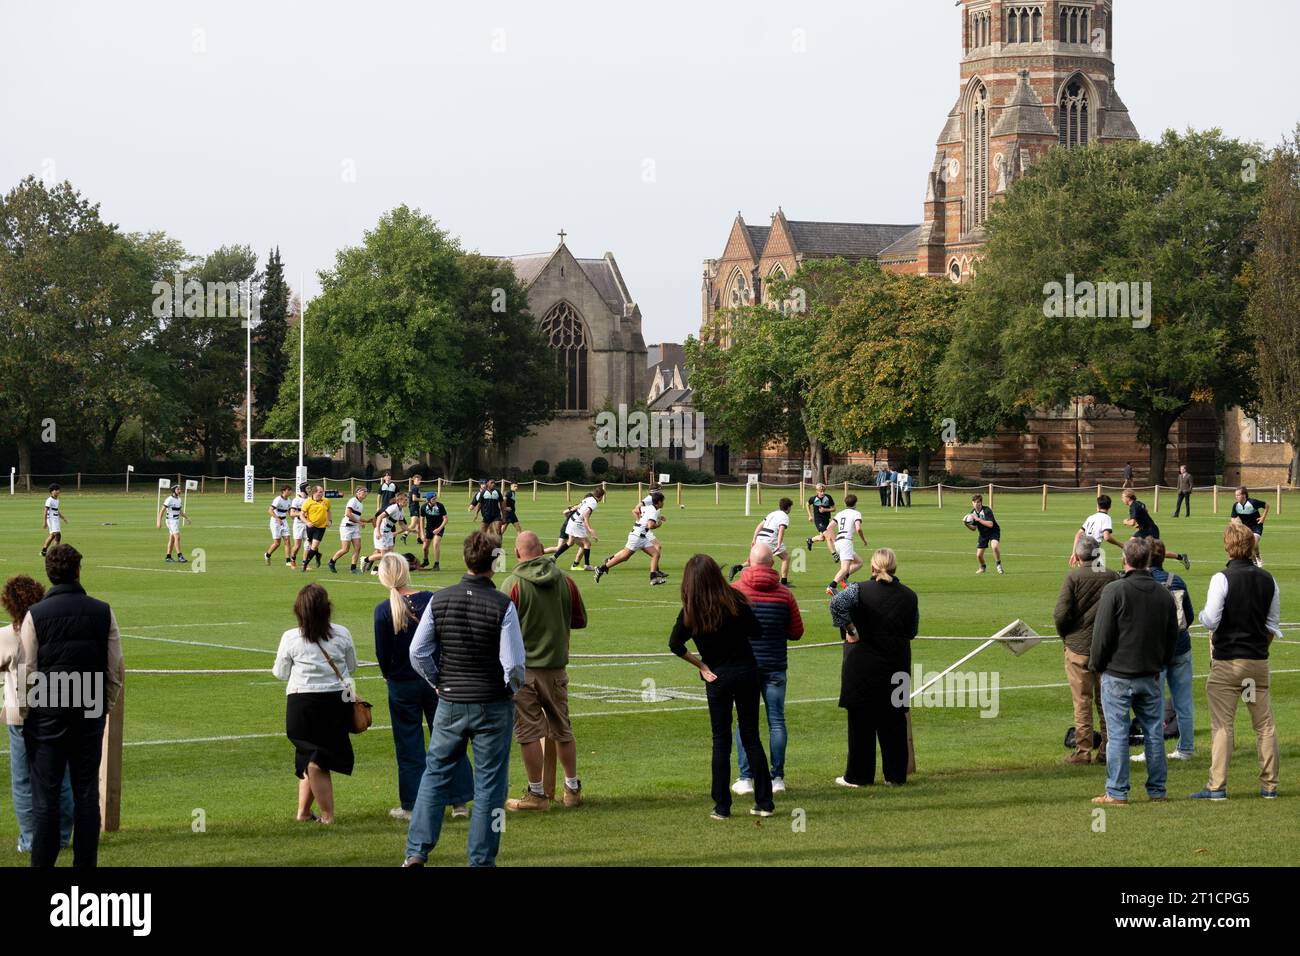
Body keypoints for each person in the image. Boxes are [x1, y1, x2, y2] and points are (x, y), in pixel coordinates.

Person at [404, 531, 525, 867]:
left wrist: (437, 681)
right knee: (491, 785)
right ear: (494, 562)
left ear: (465, 560)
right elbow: (513, 663)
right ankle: (482, 859)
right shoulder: (503, 604)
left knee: (435, 775)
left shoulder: (439, 599)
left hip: (452, 701)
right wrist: (511, 688)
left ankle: (416, 851)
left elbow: (419, 651)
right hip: (493, 703)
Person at [18, 545, 124, 867]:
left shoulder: (34, 615)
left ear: (49, 574)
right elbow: (115, 667)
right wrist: (104, 705)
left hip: (48, 706)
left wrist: (25, 714)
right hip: (88, 703)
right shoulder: (103, 610)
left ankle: (42, 863)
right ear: (78, 571)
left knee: (46, 796)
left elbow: (27, 670)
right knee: (87, 793)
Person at [669, 554, 775, 820]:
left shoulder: (691, 611)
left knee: (721, 741)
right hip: (746, 671)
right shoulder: (735, 600)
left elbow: (675, 644)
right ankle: (764, 801)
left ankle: (722, 806)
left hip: (717, 676)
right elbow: (757, 632)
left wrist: (702, 666)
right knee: (751, 737)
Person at [373, 553, 470, 822]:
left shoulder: (383, 609)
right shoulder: (430, 599)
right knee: (449, 738)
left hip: (402, 682)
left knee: (408, 744)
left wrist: (388, 675)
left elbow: (383, 653)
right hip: (436, 679)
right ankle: (459, 801)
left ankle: (412, 804)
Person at [1190, 522, 1282, 800]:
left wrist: (1203, 617)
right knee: (1264, 725)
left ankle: (1217, 786)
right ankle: (1269, 785)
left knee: (1222, 725)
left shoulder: (1222, 578)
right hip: (1256, 662)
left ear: (1228, 546)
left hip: (1228, 662)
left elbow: (1212, 619)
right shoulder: (1269, 580)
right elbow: (1272, 625)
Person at [502, 531, 588, 811]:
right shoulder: (566, 581)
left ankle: (537, 793)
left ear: (517, 553)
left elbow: (500, 630)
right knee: (563, 728)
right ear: (542, 549)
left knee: (528, 733)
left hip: (524, 671)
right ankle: (572, 788)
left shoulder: (512, 584)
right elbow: (579, 620)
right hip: (556, 668)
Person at [1088, 537, 1178, 805]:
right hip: (1149, 674)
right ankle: (1157, 790)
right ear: (1148, 560)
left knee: (1117, 735)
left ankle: (1117, 792)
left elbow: (1101, 636)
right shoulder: (1163, 593)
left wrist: (1097, 665)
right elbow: (1171, 637)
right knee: (1153, 733)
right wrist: (1160, 664)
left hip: (1118, 674)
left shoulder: (1114, 591)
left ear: (1125, 560)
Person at [828, 548, 917, 787]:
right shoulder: (909, 595)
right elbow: (912, 631)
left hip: (862, 664)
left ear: (872, 567)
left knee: (861, 723)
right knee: (895, 722)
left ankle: (859, 776)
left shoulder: (858, 590)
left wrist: (851, 630)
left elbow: (835, 604)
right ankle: (896, 776)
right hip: (896, 663)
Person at [272, 583, 358, 825]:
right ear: (327, 609)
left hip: (302, 701)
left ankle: (328, 816)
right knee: (311, 757)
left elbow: (280, 673)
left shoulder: (291, 637)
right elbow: (352, 667)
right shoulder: (342, 633)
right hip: (334, 701)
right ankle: (303, 812)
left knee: (313, 757)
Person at [0, 575, 74, 854]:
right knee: (61, 774)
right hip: (55, 710)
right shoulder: (52, 631)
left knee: (23, 780)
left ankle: (31, 839)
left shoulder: (7, 635)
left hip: (20, 714)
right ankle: (62, 835)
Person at [730, 543, 803, 796]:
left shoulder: (736, 591)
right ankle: (777, 777)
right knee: (777, 721)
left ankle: (746, 777)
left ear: (749, 563)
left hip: (745, 666)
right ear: (772, 564)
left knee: (744, 723)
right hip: (775, 665)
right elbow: (797, 632)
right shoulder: (784, 594)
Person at [1053, 539, 1120, 764]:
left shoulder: (1074, 577)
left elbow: (1060, 614)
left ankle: (1083, 752)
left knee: (1082, 701)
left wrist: (1066, 635)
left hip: (1078, 647)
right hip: (1107, 647)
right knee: (1106, 701)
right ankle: (1107, 749)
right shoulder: (1111, 576)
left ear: (1079, 557)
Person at [1136, 539, 1195, 764]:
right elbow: (1188, 616)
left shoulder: (1144, 583)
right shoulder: (1177, 580)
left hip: (1155, 652)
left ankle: (1152, 750)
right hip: (1180, 646)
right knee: (1183, 701)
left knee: (1152, 703)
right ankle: (1186, 748)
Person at [594, 490, 668, 585]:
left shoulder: (648, 507)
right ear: (659, 502)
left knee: (655, 554)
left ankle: (653, 578)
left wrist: (640, 521)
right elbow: (650, 525)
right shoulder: (653, 511)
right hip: (637, 537)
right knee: (624, 557)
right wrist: (658, 525)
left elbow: (637, 510)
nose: (663, 503)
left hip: (641, 536)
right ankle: (601, 569)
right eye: (663, 501)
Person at [1121, 489, 1190, 570]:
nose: (1122, 499)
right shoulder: (1138, 503)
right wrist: (1140, 524)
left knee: (1153, 552)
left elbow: (1132, 522)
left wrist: (1125, 522)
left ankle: (1181, 557)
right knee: (1133, 547)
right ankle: (1131, 568)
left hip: (1150, 530)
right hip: (1146, 529)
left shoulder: (1133, 507)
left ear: (1128, 498)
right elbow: (1145, 511)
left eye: (1123, 497)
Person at [731, 497, 794, 585]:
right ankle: (783, 582)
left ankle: (738, 567)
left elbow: (760, 525)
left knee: (754, 559)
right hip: (770, 538)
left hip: (760, 537)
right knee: (785, 558)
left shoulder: (772, 513)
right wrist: (779, 544)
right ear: (788, 507)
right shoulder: (784, 516)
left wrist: (754, 538)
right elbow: (781, 529)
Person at [554, 488, 604, 572]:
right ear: (601, 497)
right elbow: (585, 514)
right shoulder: (594, 503)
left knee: (570, 542)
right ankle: (586, 565)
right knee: (587, 543)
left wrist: (568, 510)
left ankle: (554, 558)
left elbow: (579, 507)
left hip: (571, 520)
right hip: (577, 523)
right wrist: (590, 529)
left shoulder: (589, 498)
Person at [826, 495, 867, 596]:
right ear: (855, 503)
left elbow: (829, 527)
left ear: (845, 503)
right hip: (846, 542)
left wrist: (835, 539)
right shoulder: (856, 513)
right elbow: (858, 528)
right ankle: (832, 586)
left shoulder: (840, 513)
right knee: (845, 568)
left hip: (839, 542)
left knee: (859, 562)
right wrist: (864, 540)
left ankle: (844, 578)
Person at [364, 491, 410, 574]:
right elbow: (379, 517)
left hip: (388, 532)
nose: (407, 502)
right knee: (384, 555)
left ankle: (378, 570)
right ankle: (365, 559)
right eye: (405, 500)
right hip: (381, 532)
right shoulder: (393, 508)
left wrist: (413, 530)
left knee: (390, 554)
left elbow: (402, 524)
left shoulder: (401, 511)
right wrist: (378, 531)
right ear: (399, 501)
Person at [1072, 495, 1122, 569]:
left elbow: (1078, 534)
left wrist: (1074, 552)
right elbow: (1107, 537)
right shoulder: (1106, 518)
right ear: (1110, 506)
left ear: (1098, 506)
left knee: (1090, 573)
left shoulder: (1091, 517)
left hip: (1082, 549)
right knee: (1099, 574)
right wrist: (1120, 544)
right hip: (1092, 550)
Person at [328, 485, 369, 574]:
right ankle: (331, 562)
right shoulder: (353, 500)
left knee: (358, 547)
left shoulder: (361, 504)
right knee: (345, 549)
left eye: (366, 491)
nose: (365, 493)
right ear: (357, 493)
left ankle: (353, 568)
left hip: (354, 527)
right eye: (363, 491)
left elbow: (356, 516)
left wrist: (367, 520)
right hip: (346, 527)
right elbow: (348, 514)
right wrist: (359, 522)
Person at [1229, 486, 1269, 566]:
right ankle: (1255, 561)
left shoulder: (1253, 503)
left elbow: (1266, 505)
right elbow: (1233, 518)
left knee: (1252, 545)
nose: (1236, 497)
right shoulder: (1236, 506)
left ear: (1244, 495)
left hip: (1256, 526)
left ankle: (1256, 559)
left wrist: (1263, 517)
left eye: (1238, 495)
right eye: (1235, 495)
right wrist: (1236, 526)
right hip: (1246, 529)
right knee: (1252, 546)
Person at [965, 493, 1003, 575]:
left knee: (995, 546)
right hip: (983, 534)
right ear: (972, 503)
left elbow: (990, 524)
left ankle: (998, 565)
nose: (976, 504)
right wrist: (966, 524)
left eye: (978, 502)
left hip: (993, 531)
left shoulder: (987, 510)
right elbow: (974, 529)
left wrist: (978, 519)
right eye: (974, 502)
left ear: (981, 503)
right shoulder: (972, 513)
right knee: (979, 555)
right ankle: (982, 567)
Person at [299, 486, 330, 571]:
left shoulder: (326, 501)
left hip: (321, 527)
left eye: (322, 492)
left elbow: (328, 510)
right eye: (320, 492)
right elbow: (301, 515)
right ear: (314, 492)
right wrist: (307, 522)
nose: (322, 493)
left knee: (314, 546)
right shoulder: (308, 502)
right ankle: (318, 555)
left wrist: (329, 520)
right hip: (310, 527)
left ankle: (305, 563)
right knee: (311, 546)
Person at [157, 484, 189, 563]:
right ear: (174, 491)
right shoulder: (169, 499)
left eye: (179, 489)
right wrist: (158, 522)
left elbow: (180, 511)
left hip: (175, 521)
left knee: (171, 539)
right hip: (170, 521)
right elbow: (162, 511)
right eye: (178, 489)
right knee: (177, 537)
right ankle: (180, 556)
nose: (180, 491)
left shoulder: (179, 499)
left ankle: (168, 557)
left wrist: (187, 518)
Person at [804, 483, 836, 559]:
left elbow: (834, 509)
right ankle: (834, 554)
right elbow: (807, 504)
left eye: (823, 491)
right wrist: (810, 515)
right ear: (817, 491)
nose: (822, 493)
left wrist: (825, 510)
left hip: (826, 520)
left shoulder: (828, 497)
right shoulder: (813, 498)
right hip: (818, 521)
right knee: (828, 536)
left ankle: (810, 540)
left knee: (822, 538)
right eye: (820, 491)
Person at [265, 484, 294, 565]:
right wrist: (277, 519)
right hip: (275, 522)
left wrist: (294, 519)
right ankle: (267, 555)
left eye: (290, 490)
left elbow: (289, 512)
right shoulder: (277, 499)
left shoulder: (289, 500)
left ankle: (288, 561)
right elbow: (270, 510)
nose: (290, 492)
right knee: (277, 543)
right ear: (284, 491)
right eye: (289, 490)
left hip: (284, 521)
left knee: (287, 540)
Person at [418, 490, 448, 570]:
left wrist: (439, 529)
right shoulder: (423, 507)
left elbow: (445, 519)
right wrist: (422, 533)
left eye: (435, 498)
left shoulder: (440, 506)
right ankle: (425, 561)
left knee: (436, 544)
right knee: (425, 548)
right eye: (433, 499)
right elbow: (421, 520)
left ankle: (436, 564)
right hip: (429, 529)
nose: (435, 500)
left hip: (439, 528)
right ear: (428, 500)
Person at [287, 482, 310, 568]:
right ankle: (293, 559)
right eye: (308, 488)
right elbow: (292, 513)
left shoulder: (310, 499)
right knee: (297, 546)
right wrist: (301, 514)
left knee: (307, 545)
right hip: (298, 525)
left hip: (307, 524)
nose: (310, 490)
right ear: (303, 489)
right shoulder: (296, 500)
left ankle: (305, 564)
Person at [40, 484, 64, 558]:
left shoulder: (57, 499)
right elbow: (45, 511)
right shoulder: (49, 500)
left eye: (58, 490)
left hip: (55, 519)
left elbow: (56, 510)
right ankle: (54, 553)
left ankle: (44, 551)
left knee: (52, 535)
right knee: (58, 535)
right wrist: (44, 522)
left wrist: (63, 517)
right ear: (52, 491)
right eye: (56, 490)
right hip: (51, 519)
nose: (58, 491)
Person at [404, 473, 423, 543]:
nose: (419, 481)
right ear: (414, 480)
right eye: (417, 480)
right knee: (413, 523)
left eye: (420, 480)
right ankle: (404, 535)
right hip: (413, 507)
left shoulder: (414, 487)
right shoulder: (415, 488)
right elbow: (414, 498)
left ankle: (419, 539)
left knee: (419, 524)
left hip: (415, 506)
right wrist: (424, 500)